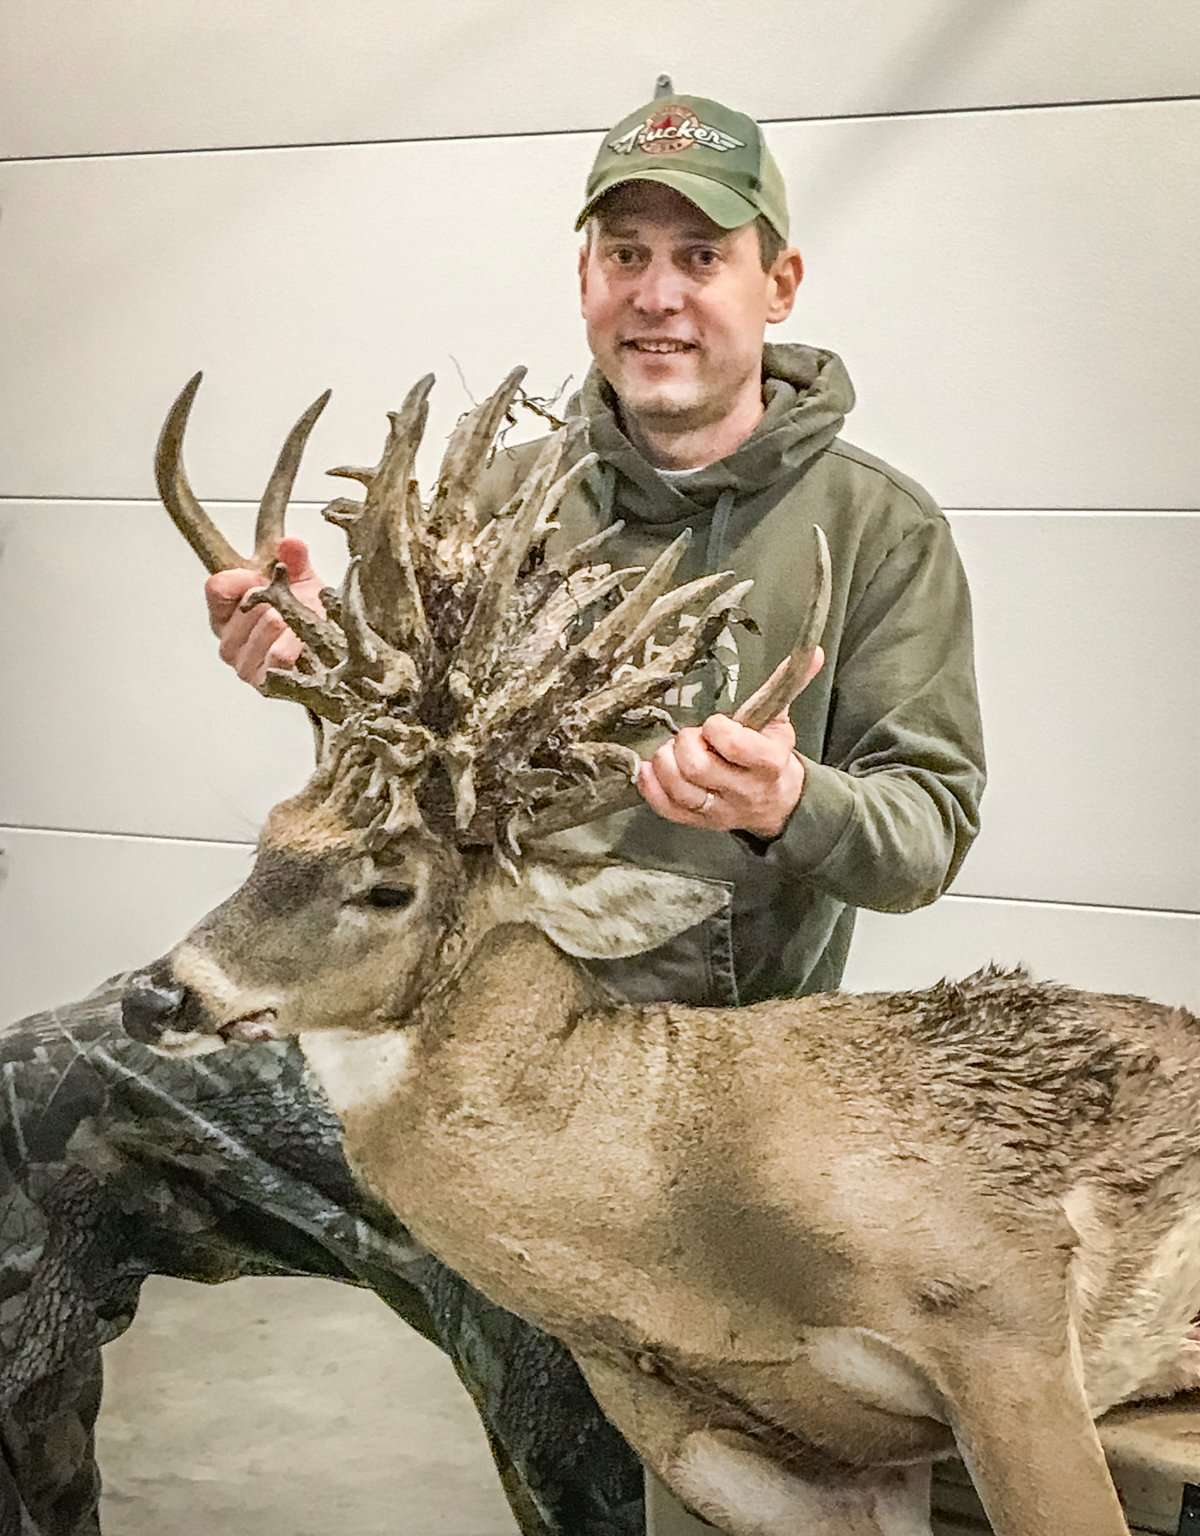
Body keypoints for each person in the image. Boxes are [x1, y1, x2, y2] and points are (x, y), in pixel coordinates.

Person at [0, 87, 985, 1535]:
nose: (657, 295)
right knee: (34, 1099)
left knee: (599, 1470)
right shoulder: (488, 499)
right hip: (397, 1053)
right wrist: (312, 648)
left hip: (645, 1134)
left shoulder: (882, 535)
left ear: (776, 282)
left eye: (700, 257)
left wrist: (794, 800)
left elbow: (926, 830)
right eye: (623, 252)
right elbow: (387, 783)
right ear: (583, 275)